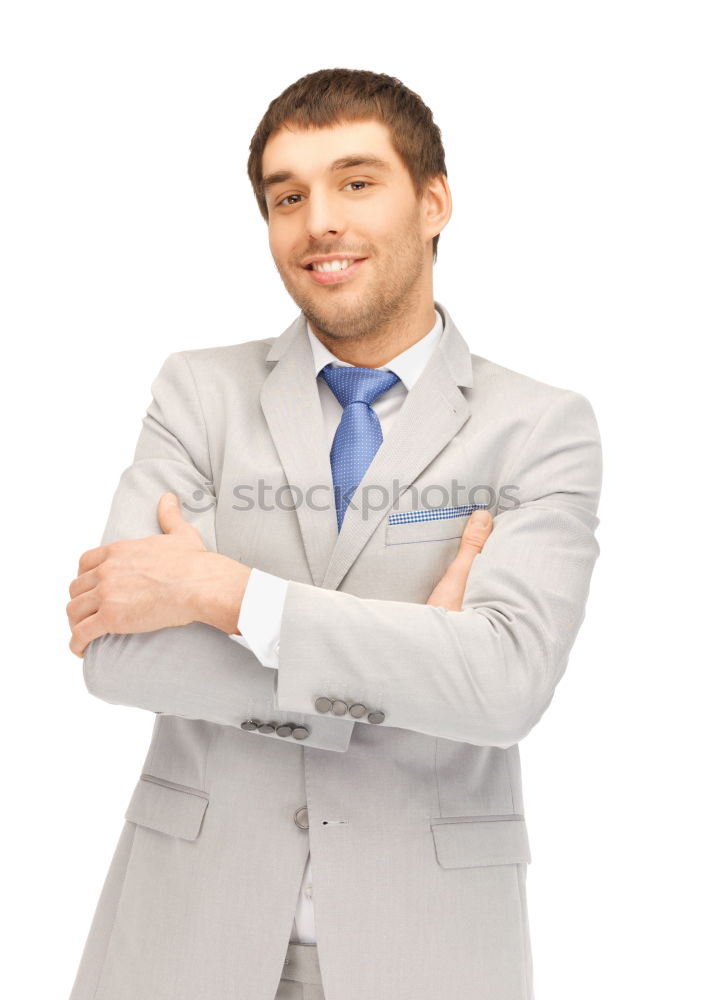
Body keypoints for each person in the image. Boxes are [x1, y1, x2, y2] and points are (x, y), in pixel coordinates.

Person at [66, 68, 602, 1000]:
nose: (319, 220)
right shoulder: (198, 394)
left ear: (433, 201)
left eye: (357, 182)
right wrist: (418, 663)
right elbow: (119, 653)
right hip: (183, 935)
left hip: (428, 948)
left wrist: (224, 595)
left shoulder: (539, 425)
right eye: (288, 195)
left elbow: (507, 685)